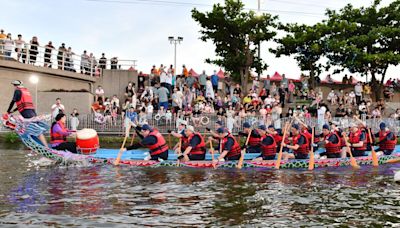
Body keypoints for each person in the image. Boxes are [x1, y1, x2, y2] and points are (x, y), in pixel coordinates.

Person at [6, 80, 49, 147]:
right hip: (32, 111)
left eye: (14, 85)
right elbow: (22, 104)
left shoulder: (17, 90)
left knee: (34, 128)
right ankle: (38, 145)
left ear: (17, 85)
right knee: (32, 127)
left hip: (27, 112)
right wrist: (12, 111)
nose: (14, 86)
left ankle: (46, 146)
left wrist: (8, 111)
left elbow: (13, 101)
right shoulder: (25, 91)